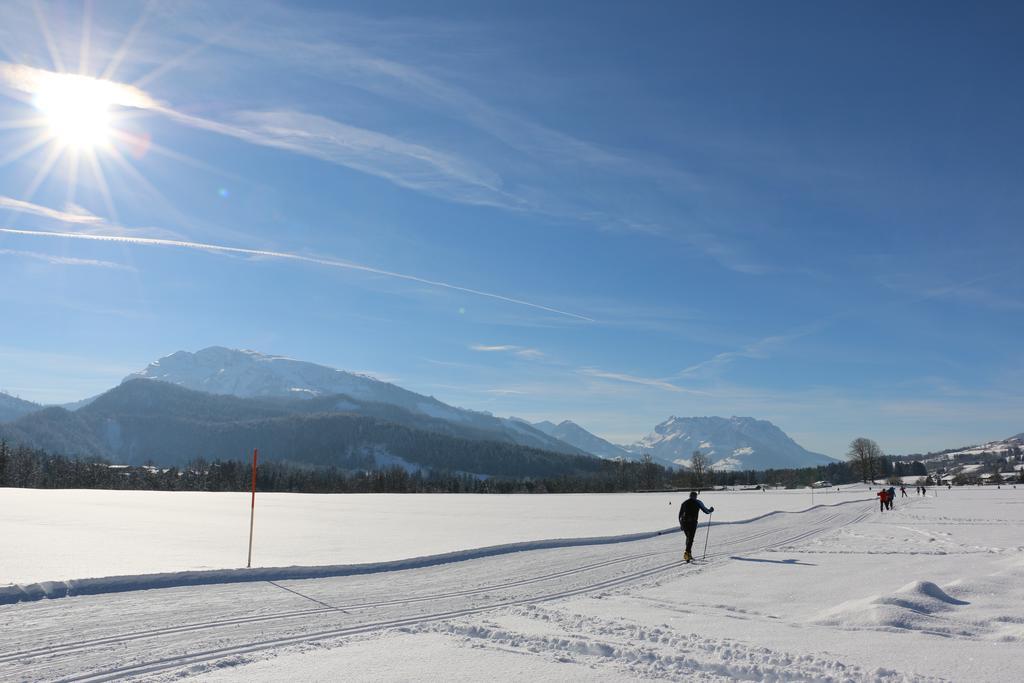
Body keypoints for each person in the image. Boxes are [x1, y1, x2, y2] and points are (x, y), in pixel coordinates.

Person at [678, 490, 714, 563]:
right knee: (690, 538)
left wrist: (681, 524)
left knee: (688, 538)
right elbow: (706, 511)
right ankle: (687, 554)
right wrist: (711, 510)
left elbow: (680, 515)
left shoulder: (684, 503)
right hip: (692, 523)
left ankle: (689, 554)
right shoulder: (698, 502)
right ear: (695, 496)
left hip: (684, 522)